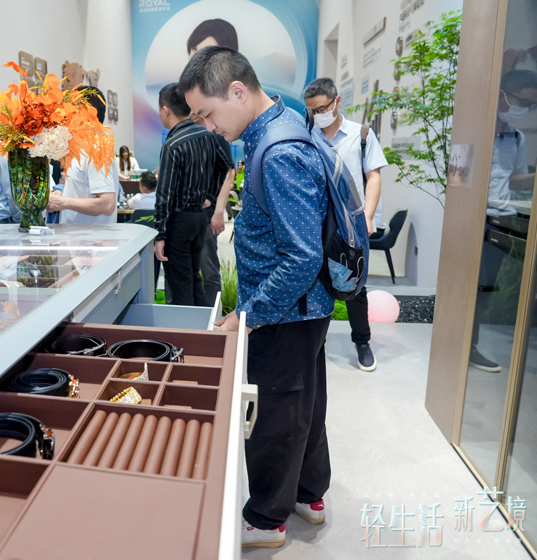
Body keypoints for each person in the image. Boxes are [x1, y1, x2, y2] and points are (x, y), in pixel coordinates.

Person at [179, 46, 331, 548]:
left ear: (238, 92)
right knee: (305, 403)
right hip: (300, 308)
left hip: (283, 310)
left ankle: (266, 520)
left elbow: (301, 257)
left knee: (274, 417)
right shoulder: (279, 127)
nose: (207, 126)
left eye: (207, 113)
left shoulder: (279, 151)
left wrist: (247, 314)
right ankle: (309, 495)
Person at [304, 77, 388, 372]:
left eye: (322, 108)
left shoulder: (360, 134)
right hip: (318, 222)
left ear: (337, 101)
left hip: (352, 224)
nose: (318, 115)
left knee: (354, 284)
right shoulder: (307, 136)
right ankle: (316, 344)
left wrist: (368, 216)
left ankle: (362, 342)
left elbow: (373, 176)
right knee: (316, 283)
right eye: (312, 110)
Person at [470, 69, 537, 372]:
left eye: (531, 105)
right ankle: (459, 344)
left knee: (486, 288)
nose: (525, 109)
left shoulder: (516, 137)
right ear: (502, 96)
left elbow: (515, 179)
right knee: (468, 285)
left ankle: (471, 347)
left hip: (501, 219)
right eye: (523, 102)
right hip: (473, 219)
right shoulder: (475, 131)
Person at [153, 83, 233, 307]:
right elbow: (226, 167)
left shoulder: (172, 144)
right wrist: (210, 195)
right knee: (195, 281)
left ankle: (185, 328)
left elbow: (164, 194)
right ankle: (203, 325)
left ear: (165, 110)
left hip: (178, 222)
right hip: (200, 218)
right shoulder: (208, 136)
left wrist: (159, 235)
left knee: (180, 287)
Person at [47, 87, 118, 224]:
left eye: (70, 109)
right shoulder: (81, 147)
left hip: (93, 236)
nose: (65, 115)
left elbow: (107, 203)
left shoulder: (96, 147)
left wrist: (63, 202)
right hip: (77, 235)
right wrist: (61, 193)